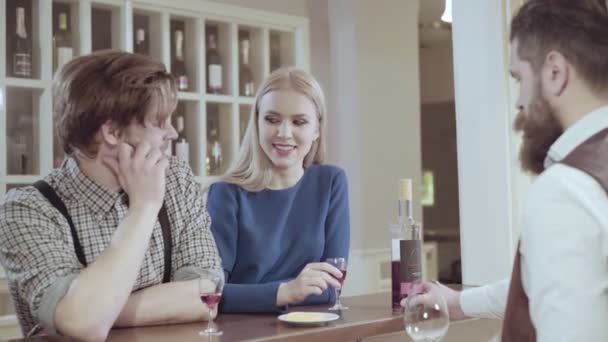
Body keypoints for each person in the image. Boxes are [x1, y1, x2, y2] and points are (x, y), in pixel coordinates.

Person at [407, 0, 608, 340]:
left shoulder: (566, 189)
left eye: (519, 78)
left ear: (555, 72)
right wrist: (459, 302)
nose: (519, 101)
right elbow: (559, 278)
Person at [0, 51, 224, 340]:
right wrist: (143, 208)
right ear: (113, 133)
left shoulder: (176, 180)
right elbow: (84, 323)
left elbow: (206, 295)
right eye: (159, 122)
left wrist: (91, 313)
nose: (171, 133)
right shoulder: (26, 211)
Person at [206, 68, 350, 313]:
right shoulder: (226, 193)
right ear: (257, 123)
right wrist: (288, 291)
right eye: (272, 120)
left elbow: (331, 287)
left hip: (315, 331)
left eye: (299, 122)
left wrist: (256, 294)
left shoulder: (331, 182)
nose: (284, 133)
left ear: (316, 129)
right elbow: (212, 293)